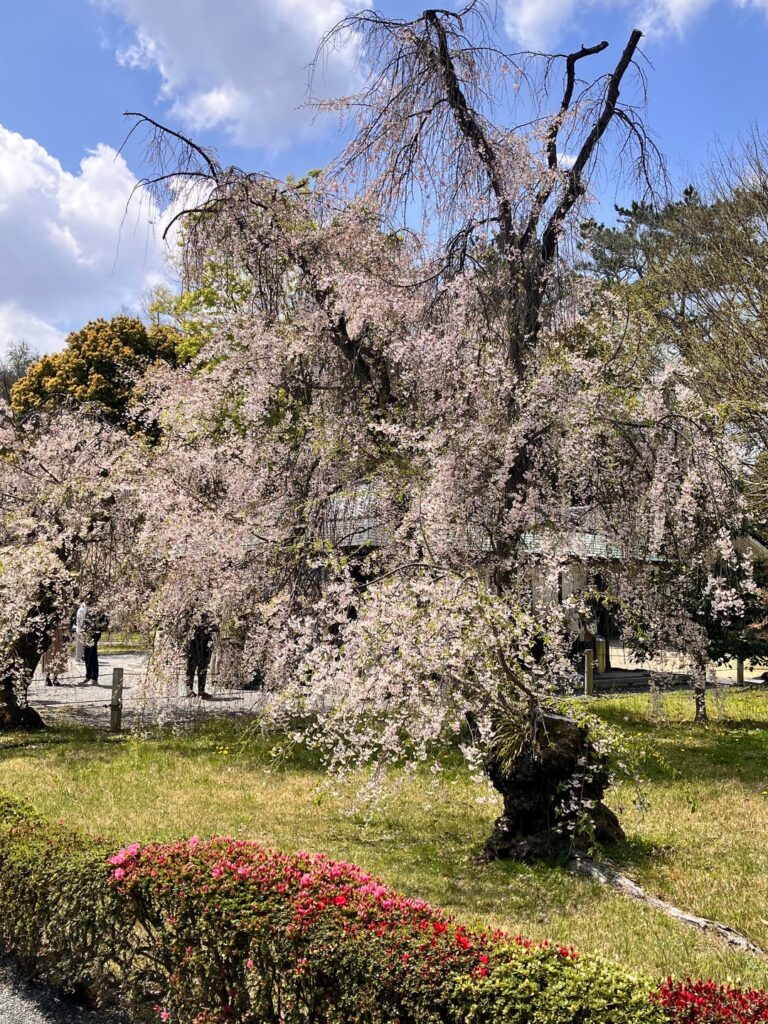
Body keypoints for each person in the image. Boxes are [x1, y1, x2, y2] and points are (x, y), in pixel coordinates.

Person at [185, 613, 217, 699]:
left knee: (202, 672)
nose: (205, 620)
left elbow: (211, 640)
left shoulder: (208, 629)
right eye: (204, 618)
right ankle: (189, 690)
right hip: (193, 652)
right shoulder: (194, 628)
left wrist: (209, 648)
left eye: (206, 618)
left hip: (203, 653)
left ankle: (201, 691)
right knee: (190, 672)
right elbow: (190, 640)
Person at [82, 606, 108, 684]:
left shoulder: (99, 607)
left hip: (94, 633)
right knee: (86, 654)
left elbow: (104, 621)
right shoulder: (85, 607)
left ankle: (94, 677)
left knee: (92, 654)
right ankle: (88, 675)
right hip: (86, 632)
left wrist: (98, 628)